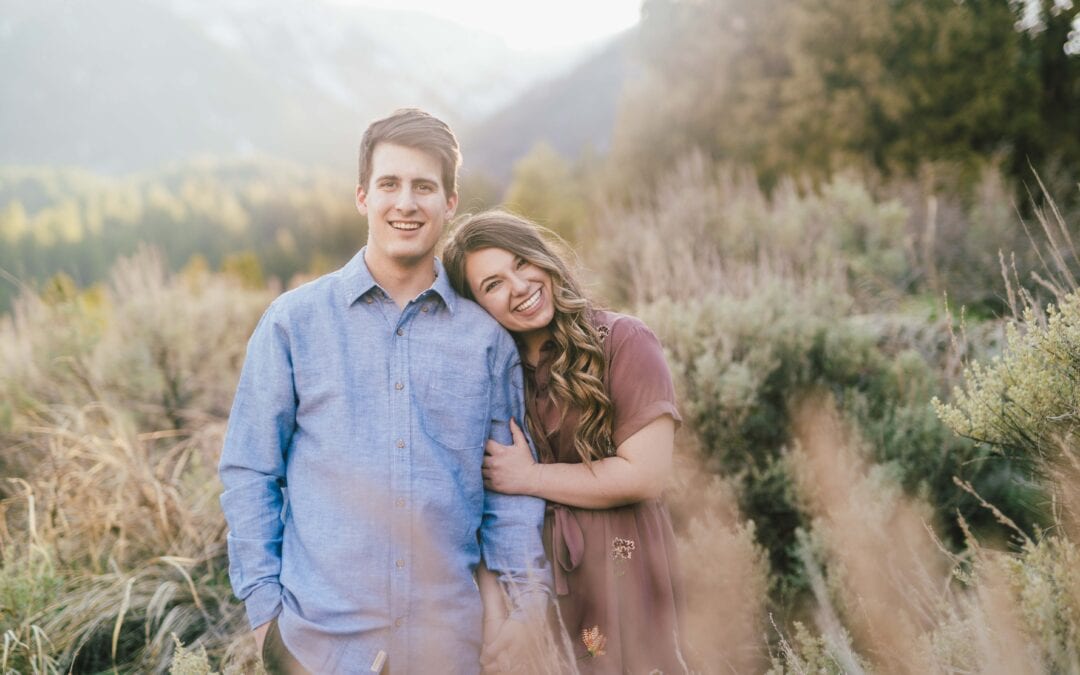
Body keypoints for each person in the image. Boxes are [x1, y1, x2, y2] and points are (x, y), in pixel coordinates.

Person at [219, 110, 550, 675]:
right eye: (389, 184)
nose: (406, 203)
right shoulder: (293, 323)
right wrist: (265, 619)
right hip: (318, 649)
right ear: (362, 197)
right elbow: (249, 469)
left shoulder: (486, 342)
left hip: (451, 649)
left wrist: (527, 610)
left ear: (449, 203)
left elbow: (509, 498)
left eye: (424, 186)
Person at [443, 210, 691, 675]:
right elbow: (475, 508)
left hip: (621, 561)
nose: (518, 286)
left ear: (544, 258)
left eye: (521, 263)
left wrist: (530, 476)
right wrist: (498, 612)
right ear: (476, 307)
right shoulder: (491, 375)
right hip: (530, 574)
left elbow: (646, 473)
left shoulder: (622, 341)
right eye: (492, 284)